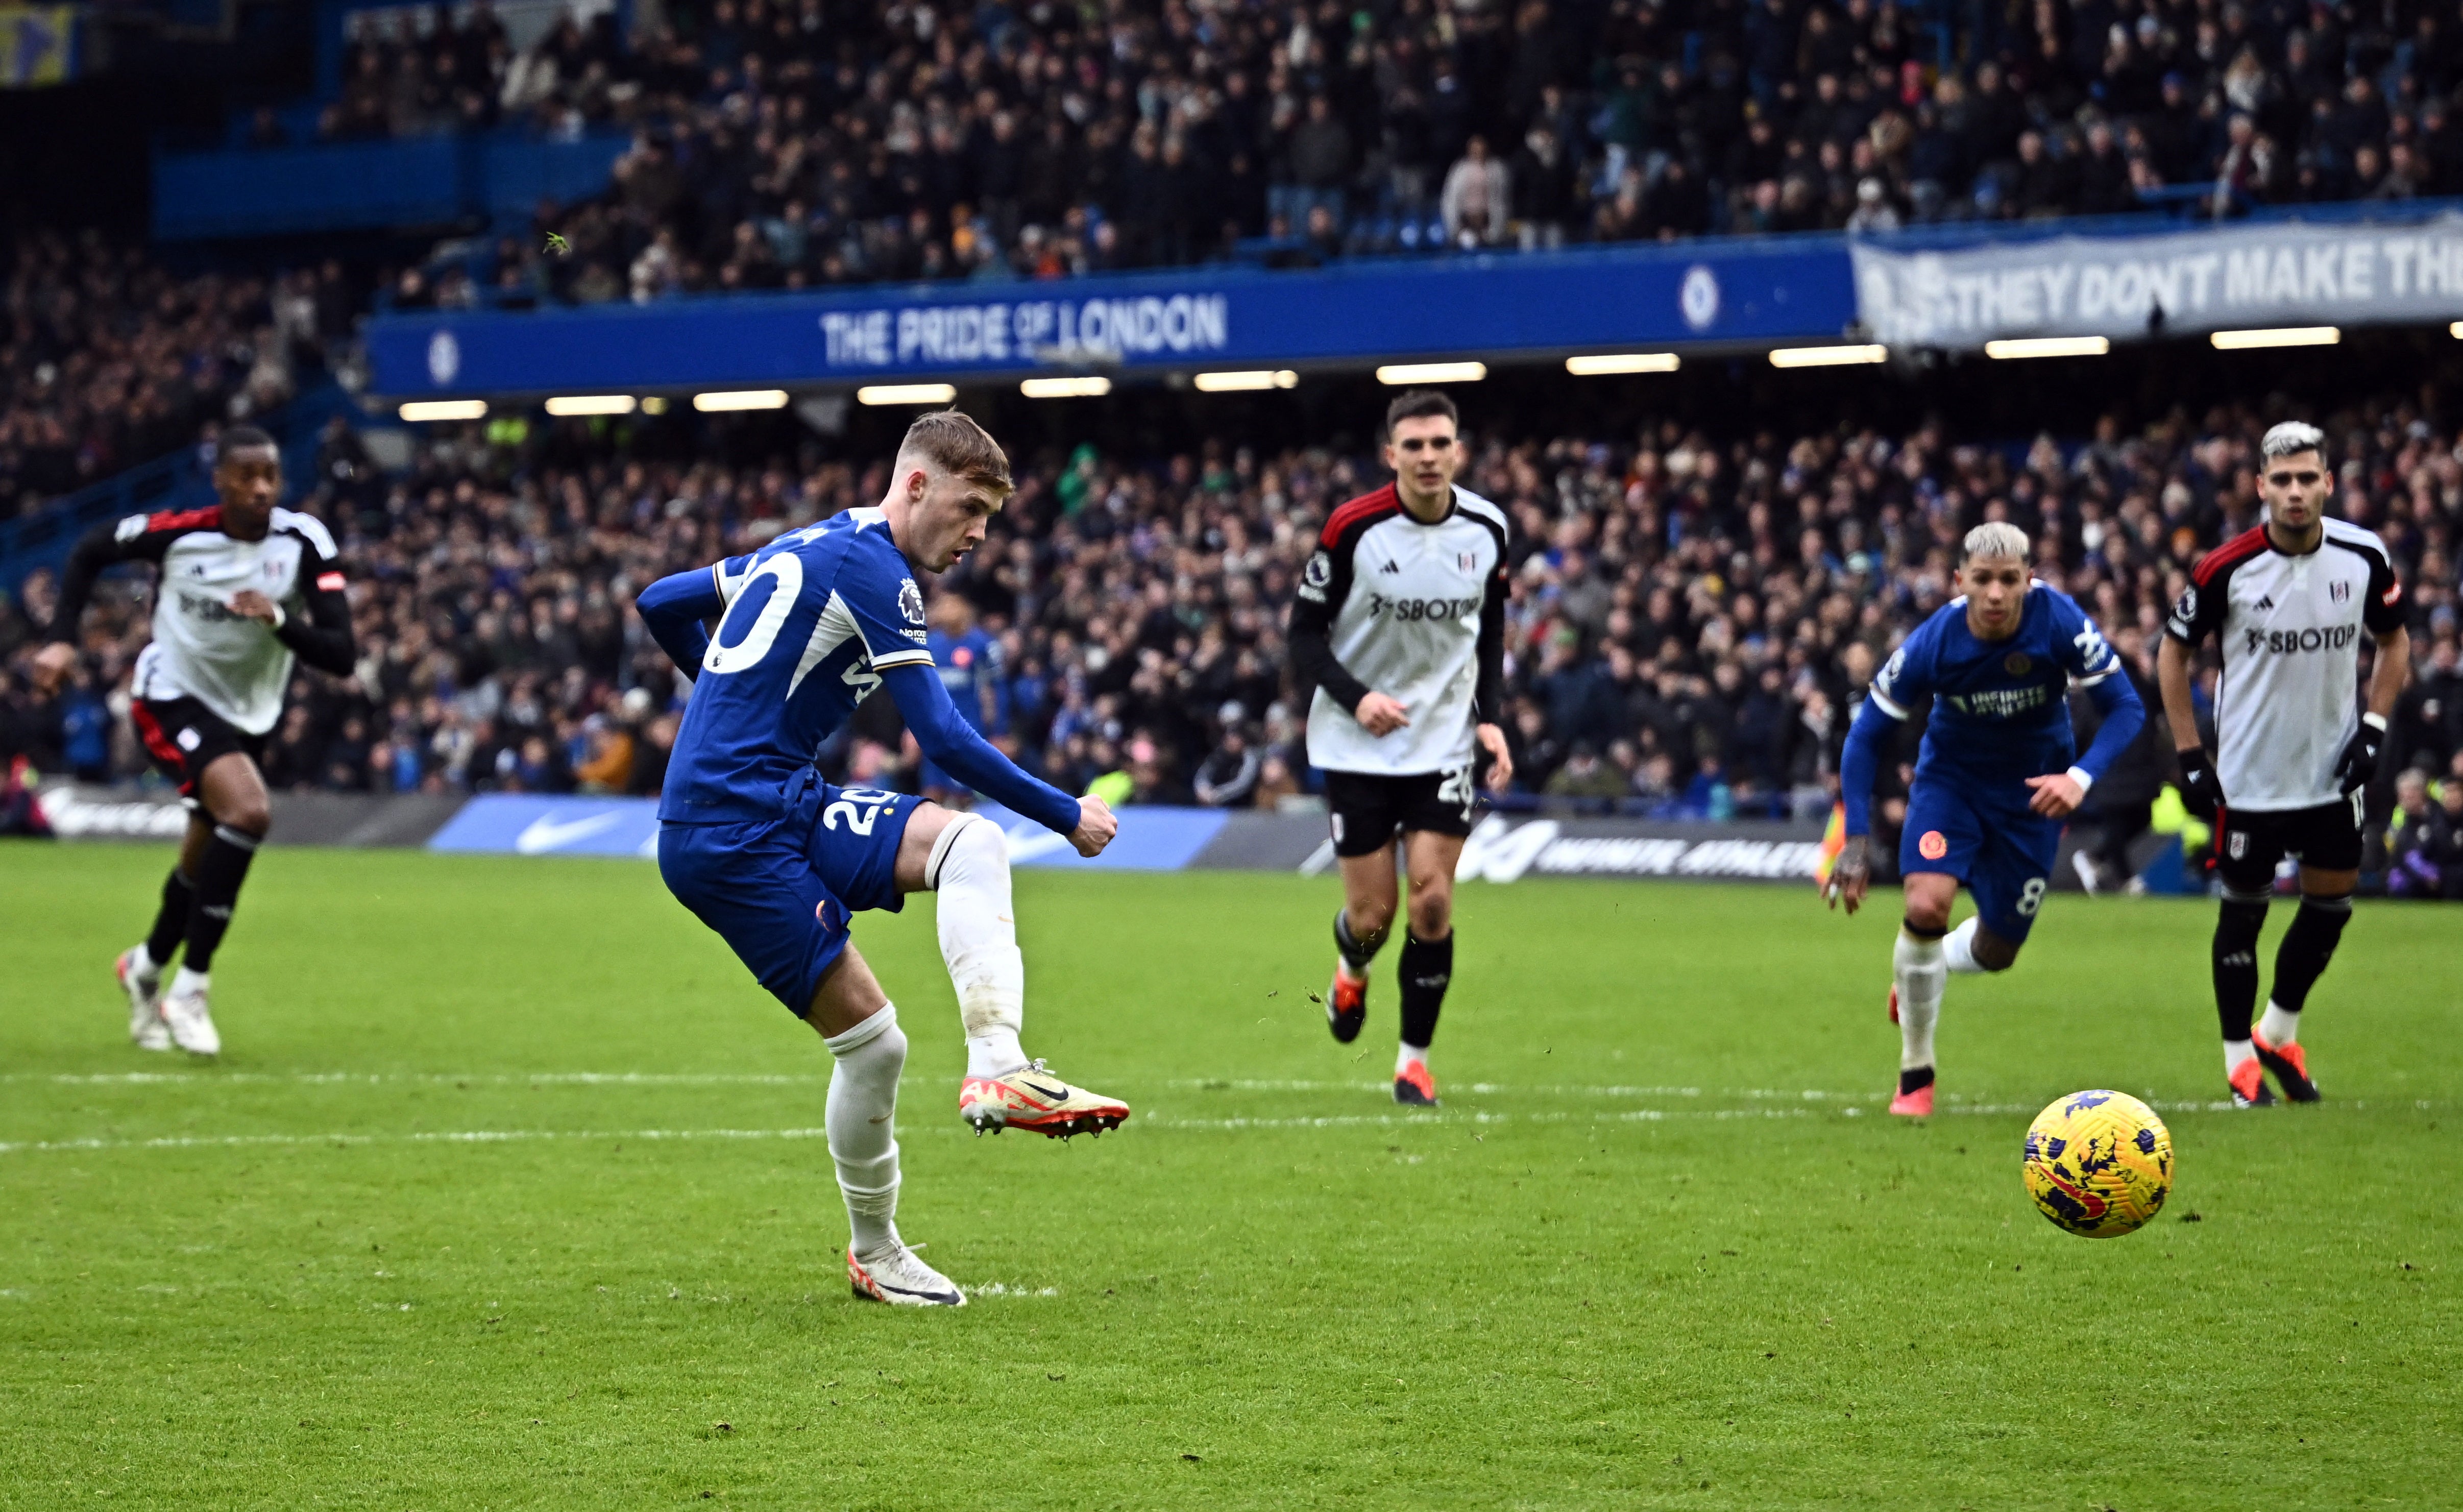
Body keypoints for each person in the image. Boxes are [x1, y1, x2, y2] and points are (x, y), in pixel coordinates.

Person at [634, 411, 1125, 1310]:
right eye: (970, 508)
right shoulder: (878, 571)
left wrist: (727, 698)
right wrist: (1065, 814)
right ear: (914, 486)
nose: (978, 534)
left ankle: (999, 1062)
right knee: (877, 1043)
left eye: (991, 517)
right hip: (726, 832)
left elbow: (663, 600)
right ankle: (877, 1251)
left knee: (970, 842)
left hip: (785, 795)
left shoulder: (818, 545)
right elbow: (939, 734)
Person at [31, 428, 354, 1056]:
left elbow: (342, 656)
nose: (261, 488)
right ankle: (191, 989)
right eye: (247, 476)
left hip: (251, 716)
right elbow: (89, 550)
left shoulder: (304, 543)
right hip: (172, 694)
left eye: (271, 475)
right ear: (221, 481)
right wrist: (63, 637)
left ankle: (146, 968)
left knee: (204, 851)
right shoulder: (181, 535)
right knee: (250, 812)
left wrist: (278, 618)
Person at [1826, 523, 2144, 1116]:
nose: (1996, 593)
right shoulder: (1933, 641)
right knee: (1924, 906)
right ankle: (1915, 1072)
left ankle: (1923, 969)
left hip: (2033, 799)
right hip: (1951, 786)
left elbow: (2125, 706)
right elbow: (1865, 736)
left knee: (1998, 950)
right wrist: (1855, 840)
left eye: (2008, 580)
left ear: (2029, 578)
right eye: (1982, 580)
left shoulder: (2059, 621)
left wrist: (2078, 777)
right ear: (1959, 582)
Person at [2158, 421, 2411, 1107]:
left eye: (2308, 478)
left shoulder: (2364, 556)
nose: (2296, 492)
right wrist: (2189, 751)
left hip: (2331, 773)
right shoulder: (2224, 567)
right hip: (2248, 778)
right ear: (2261, 486)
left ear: (2328, 482)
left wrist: (2373, 727)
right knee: (2243, 916)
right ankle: (2238, 1057)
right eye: (2283, 480)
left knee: (2330, 908)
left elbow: (2395, 643)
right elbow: (2171, 653)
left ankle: (2279, 1030)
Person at [1287, 390, 1513, 1106]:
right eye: (1412, 445)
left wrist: (1491, 718)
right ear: (1391, 456)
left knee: (1433, 901)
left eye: (1439, 443)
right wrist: (1359, 698)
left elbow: (1493, 632)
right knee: (1373, 917)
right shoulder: (1354, 528)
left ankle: (1413, 1060)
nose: (1427, 456)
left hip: (1444, 739)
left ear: (1458, 451)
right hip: (1356, 743)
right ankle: (1352, 969)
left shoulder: (1488, 528)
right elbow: (1301, 636)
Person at [917, 591, 1002, 808]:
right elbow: (921, 689)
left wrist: (999, 731)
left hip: (968, 727)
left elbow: (994, 688)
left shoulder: (982, 644)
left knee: (965, 794)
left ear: (964, 609)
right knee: (932, 793)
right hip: (935, 729)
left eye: (951, 605)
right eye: (941, 605)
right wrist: (912, 727)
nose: (944, 610)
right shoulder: (930, 644)